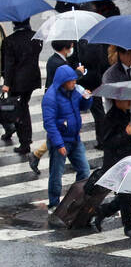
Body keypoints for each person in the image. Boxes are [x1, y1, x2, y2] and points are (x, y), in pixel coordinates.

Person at [40, 63, 92, 214]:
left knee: (84, 171)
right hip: (61, 141)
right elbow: (49, 124)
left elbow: (83, 106)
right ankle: (54, 203)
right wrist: (58, 143)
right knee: (56, 173)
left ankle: (77, 199)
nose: (75, 82)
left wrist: (87, 99)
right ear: (64, 81)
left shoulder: (74, 91)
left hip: (75, 139)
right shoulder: (51, 98)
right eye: (72, 80)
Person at [0, 18, 41, 158]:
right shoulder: (36, 37)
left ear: (14, 24)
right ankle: (25, 139)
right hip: (32, 80)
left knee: (19, 111)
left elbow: (9, 65)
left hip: (17, 83)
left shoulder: (10, 41)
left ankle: (24, 142)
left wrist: (6, 84)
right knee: (24, 107)